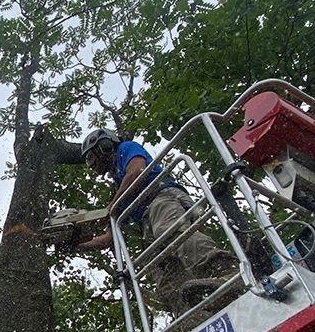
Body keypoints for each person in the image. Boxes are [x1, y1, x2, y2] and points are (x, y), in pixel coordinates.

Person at [76, 129, 236, 317]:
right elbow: (109, 238)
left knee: (173, 233)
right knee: (166, 276)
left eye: (91, 158)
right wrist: (77, 245)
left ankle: (226, 273)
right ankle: (194, 317)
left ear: (104, 146)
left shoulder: (126, 149)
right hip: (148, 222)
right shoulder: (118, 186)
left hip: (163, 198)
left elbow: (137, 170)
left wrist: (112, 205)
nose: (91, 165)